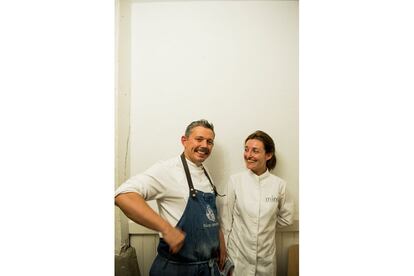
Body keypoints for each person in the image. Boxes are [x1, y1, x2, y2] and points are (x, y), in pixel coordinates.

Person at [115, 119, 227, 276]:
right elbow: (123, 195)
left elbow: (210, 214)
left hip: (208, 268)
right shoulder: (167, 170)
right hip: (176, 269)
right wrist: (166, 229)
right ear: (184, 140)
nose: (204, 145)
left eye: (210, 142)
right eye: (199, 139)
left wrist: (220, 243)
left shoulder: (206, 172)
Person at [219, 130, 294, 276]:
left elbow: (287, 218)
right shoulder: (235, 181)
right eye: (246, 149)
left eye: (255, 151)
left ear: (268, 155)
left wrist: (264, 224)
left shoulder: (279, 185)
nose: (248, 155)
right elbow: (226, 220)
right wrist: (224, 253)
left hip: (266, 259)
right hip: (238, 256)